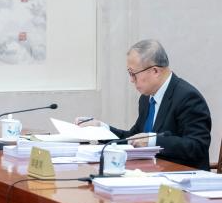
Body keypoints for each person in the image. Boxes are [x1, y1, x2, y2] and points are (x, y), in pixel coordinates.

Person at [80, 39, 212, 169]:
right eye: (129, 74)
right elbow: (133, 138)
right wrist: (102, 129)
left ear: (155, 71)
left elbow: (197, 146)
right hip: (150, 173)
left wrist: (153, 141)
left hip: (181, 176)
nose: (131, 80)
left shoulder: (187, 97)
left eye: (133, 74)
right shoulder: (146, 99)